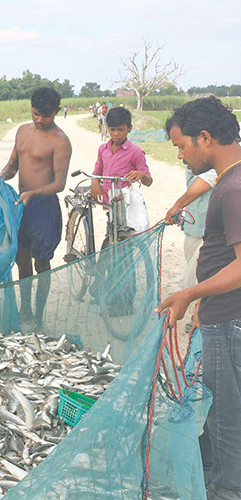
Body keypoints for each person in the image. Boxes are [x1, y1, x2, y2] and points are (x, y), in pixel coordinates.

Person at [155, 97, 241, 500]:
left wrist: (189, 293)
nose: (180, 155)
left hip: (229, 321)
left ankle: (226, 488)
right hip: (223, 314)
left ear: (204, 138)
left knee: (224, 416)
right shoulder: (230, 179)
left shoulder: (233, 188)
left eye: (181, 146)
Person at [0, 87, 72, 325]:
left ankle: (39, 315)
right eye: (36, 113)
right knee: (22, 259)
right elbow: (12, 165)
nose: (39, 119)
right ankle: (24, 308)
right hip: (21, 206)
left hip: (44, 208)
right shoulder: (22, 131)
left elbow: (59, 184)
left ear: (56, 112)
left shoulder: (60, 141)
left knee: (42, 262)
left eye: (45, 115)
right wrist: (1, 176)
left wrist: (34, 193)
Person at [165, 167, 216, 330]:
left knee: (200, 274)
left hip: (212, 229)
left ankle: (199, 315)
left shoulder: (220, 160)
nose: (180, 156)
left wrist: (177, 205)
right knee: (193, 270)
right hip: (193, 224)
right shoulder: (193, 162)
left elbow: (204, 183)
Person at [88, 106, 153, 232]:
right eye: (112, 129)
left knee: (126, 233)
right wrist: (94, 181)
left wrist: (142, 175)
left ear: (129, 128)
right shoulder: (103, 149)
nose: (116, 134)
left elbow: (149, 181)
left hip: (125, 204)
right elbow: (97, 171)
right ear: (107, 127)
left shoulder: (136, 152)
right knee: (112, 232)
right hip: (108, 202)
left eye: (121, 129)